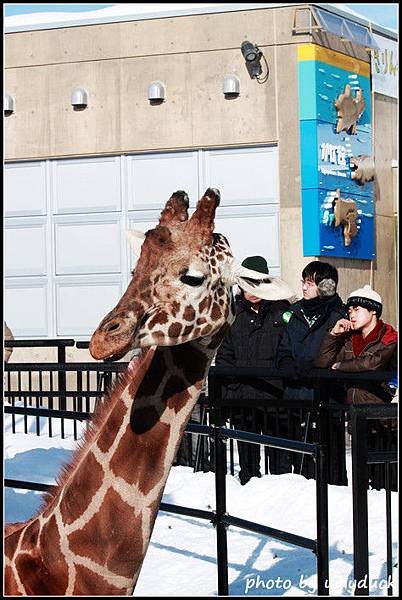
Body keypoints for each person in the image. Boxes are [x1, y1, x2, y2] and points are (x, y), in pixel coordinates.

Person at [215, 256, 290, 485]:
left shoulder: (283, 311)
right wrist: (231, 391)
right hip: (244, 399)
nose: (252, 290)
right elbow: (225, 356)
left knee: (280, 463)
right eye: (247, 284)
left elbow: (289, 351)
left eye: (257, 283)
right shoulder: (234, 315)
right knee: (247, 462)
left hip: (275, 398)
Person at [315, 285, 398, 491]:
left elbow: (372, 363)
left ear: (373, 312)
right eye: (350, 310)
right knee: (362, 482)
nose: (351, 314)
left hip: (384, 418)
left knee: (386, 482)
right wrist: (333, 334)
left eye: (358, 309)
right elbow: (322, 362)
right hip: (358, 417)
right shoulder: (350, 338)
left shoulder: (389, 337)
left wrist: (341, 367)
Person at [275, 261, 348, 483]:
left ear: (325, 286)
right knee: (298, 468)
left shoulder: (338, 315)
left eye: (310, 283)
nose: (304, 288)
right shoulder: (294, 313)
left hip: (325, 401)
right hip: (295, 399)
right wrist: (290, 366)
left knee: (328, 468)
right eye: (303, 282)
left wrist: (313, 366)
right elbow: (283, 350)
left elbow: (335, 354)